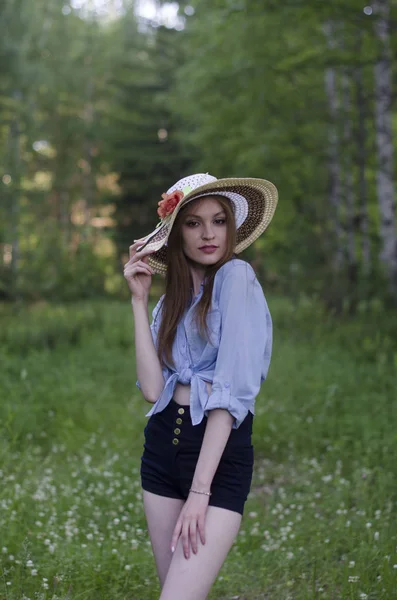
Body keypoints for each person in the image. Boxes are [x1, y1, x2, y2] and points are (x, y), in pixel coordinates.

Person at [123, 173, 278, 600]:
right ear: (176, 235)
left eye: (218, 221)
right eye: (193, 223)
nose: (209, 233)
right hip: (160, 451)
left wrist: (200, 491)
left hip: (215, 456)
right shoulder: (170, 299)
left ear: (231, 227)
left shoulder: (237, 279)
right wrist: (138, 300)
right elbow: (153, 389)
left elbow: (229, 396)